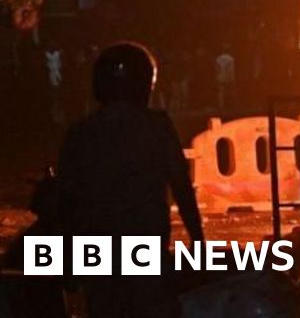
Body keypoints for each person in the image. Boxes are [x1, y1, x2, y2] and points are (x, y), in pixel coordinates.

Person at [56, 42, 203, 318]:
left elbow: (65, 202)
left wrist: (68, 265)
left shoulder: (82, 132)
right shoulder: (157, 126)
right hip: (146, 246)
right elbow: (182, 186)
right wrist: (198, 241)